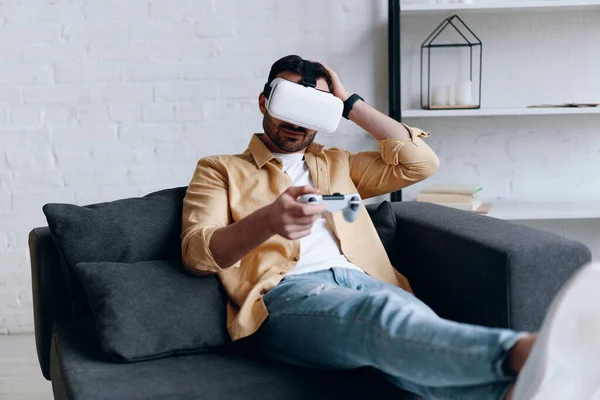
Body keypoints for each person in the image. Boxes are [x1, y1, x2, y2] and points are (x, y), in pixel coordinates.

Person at [181, 55, 599, 400]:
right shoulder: (220, 170)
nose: (297, 119)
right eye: (289, 102)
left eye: (314, 107)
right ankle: (528, 351)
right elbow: (198, 252)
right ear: (264, 102)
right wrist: (268, 219)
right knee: (383, 317)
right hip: (286, 299)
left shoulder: (338, 163)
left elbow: (420, 162)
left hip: (372, 282)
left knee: (408, 358)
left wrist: (350, 103)